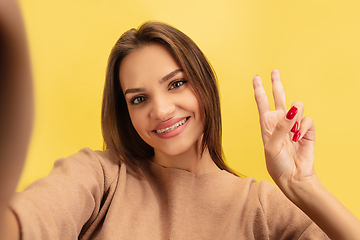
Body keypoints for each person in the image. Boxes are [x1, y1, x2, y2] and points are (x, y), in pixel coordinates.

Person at [1, 1, 360, 239]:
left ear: (204, 85)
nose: (160, 110)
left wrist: (303, 185)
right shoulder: (102, 177)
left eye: (176, 83)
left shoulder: (261, 207)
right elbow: (31, 220)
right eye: (138, 98)